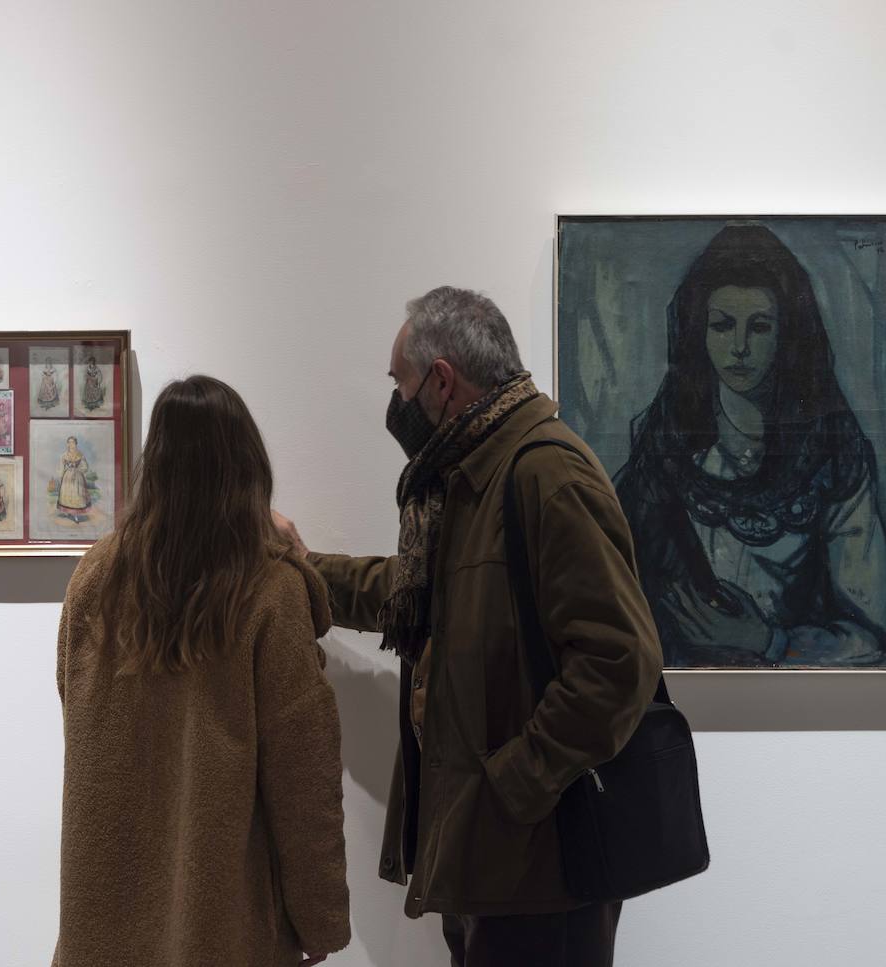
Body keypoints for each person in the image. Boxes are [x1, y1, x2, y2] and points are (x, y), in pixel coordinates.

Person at [275, 286, 662, 967]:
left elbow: (620, 661)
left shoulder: (546, 474)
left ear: (442, 381)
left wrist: (512, 784)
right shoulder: (473, 477)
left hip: (541, 873)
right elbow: (412, 594)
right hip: (493, 863)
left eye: (400, 384)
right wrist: (305, 571)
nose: (396, 404)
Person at [53, 375, 349, 967]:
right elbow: (304, 777)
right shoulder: (269, 591)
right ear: (247, 467)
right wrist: (319, 918)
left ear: (155, 464)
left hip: (105, 920)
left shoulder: (95, 579)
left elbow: (74, 705)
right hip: (223, 927)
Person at [613, 223, 886, 668]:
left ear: (786, 335)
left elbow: (873, 638)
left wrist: (766, 641)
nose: (739, 348)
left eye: (760, 327)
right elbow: (613, 594)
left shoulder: (832, 454)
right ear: (699, 333)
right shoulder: (664, 445)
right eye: (722, 325)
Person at [55, 436, 91, 522]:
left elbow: (85, 467)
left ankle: (76, 515)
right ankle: (68, 512)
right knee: (67, 494)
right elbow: (61, 467)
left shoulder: (80, 455)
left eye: (73, 442)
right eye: (69, 442)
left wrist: (78, 470)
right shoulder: (64, 455)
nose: (71, 444)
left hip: (77, 477)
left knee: (77, 494)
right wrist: (61, 476)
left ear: (76, 444)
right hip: (67, 477)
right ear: (67, 444)